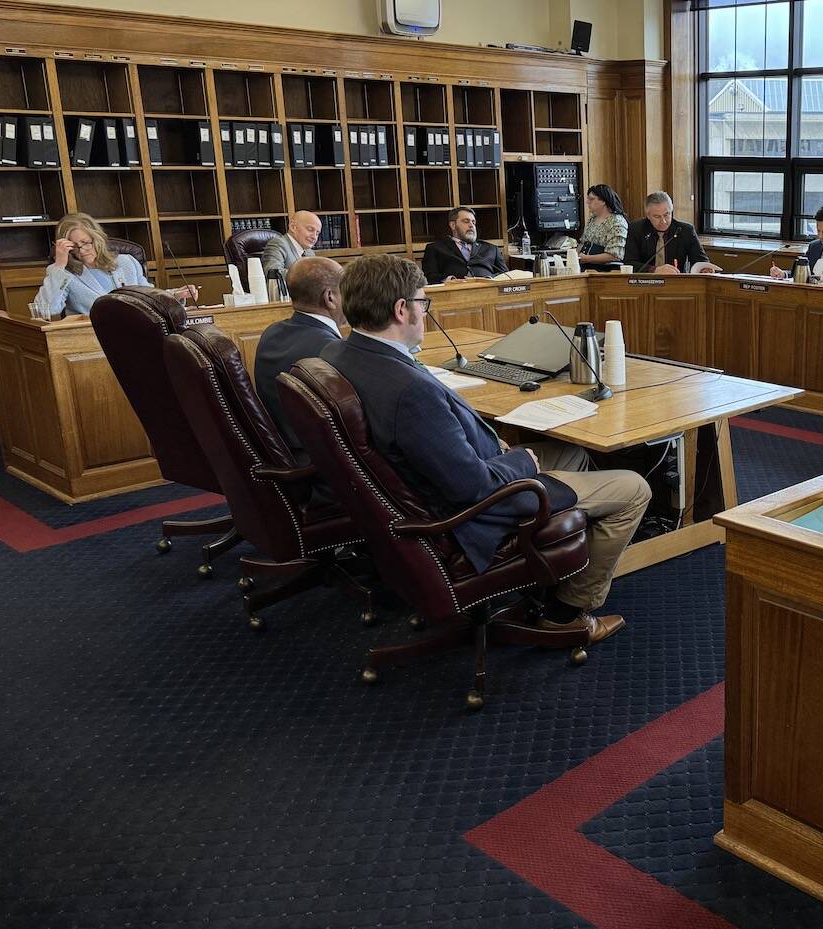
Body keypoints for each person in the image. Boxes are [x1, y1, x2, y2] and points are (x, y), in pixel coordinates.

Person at [318, 255, 649, 637]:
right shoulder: (410, 392)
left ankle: (550, 569)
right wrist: (520, 462)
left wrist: (490, 444)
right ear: (401, 309)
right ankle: (566, 612)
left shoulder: (339, 353)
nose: (425, 312)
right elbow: (473, 487)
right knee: (633, 488)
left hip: (427, 490)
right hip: (469, 514)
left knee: (573, 453)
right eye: (424, 303)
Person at [253, 257, 345, 463]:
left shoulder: (271, 332)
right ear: (330, 297)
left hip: (280, 451)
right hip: (321, 461)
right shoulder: (330, 349)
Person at [32, 213, 197, 318]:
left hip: (135, 332)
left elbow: (148, 296)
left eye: (86, 243)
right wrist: (59, 266)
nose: (81, 251)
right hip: (93, 340)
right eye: (74, 247)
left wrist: (176, 295)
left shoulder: (127, 262)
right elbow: (46, 310)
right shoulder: (65, 274)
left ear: (97, 238)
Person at [622, 191, 720, 274]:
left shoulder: (685, 230)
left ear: (671, 211)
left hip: (677, 282)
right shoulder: (636, 229)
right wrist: (655, 270)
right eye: (657, 217)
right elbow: (629, 263)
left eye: (666, 214)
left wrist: (704, 268)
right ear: (648, 215)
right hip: (645, 282)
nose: (663, 221)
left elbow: (700, 260)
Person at [420, 206, 508, 282]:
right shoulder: (435, 248)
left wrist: (488, 279)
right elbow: (429, 276)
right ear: (453, 225)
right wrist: (450, 280)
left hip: (488, 291)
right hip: (454, 293)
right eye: (466, 221)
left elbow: (506, 275)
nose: (471, 225)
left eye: (473, 222)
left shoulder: (492, 249)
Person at [577, 184, 628, 268]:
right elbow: (583, 242)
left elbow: (615, 255)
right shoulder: (592, 218)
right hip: (586, 266)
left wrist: (586, 258)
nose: (587, 202)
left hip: (605, 270)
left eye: (592, 199)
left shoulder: (617, 222)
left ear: (603, 201)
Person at [260, 210, 321, 278]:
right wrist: (307, 275)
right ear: (293, 227)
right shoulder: (278, 244)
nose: (314, 237)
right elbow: (273, 273)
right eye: (310, 229)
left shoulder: (310, 252)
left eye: (317, 233)